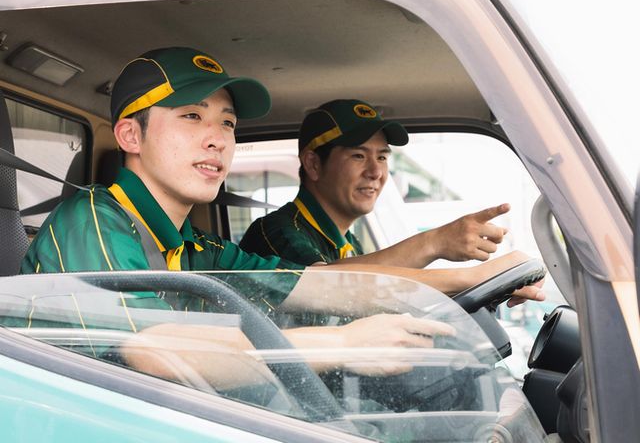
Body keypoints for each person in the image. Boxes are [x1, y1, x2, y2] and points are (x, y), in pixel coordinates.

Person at [19, 47, 543, 384]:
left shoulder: (195, 246)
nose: (217, 138)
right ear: (131, 136)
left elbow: (314, 285)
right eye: (192, 116)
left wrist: (468, 278)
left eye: (227, 123)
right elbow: (154, 350)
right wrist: (343, 344)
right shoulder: (94, 220)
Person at [240, 98, 514, 272]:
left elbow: (378, 293)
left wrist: (488, 282)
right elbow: (327, 288)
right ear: (313, 164)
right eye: (358, 156)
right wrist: (436, 242)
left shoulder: (350, 244)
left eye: (382, 157)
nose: (375, 172)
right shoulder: (278, 233)